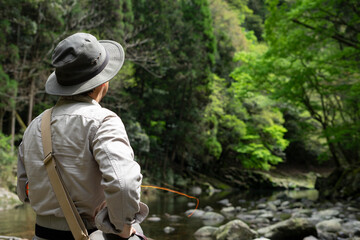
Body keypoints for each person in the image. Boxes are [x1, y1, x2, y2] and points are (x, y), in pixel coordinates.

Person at [17, 32, 148, 240]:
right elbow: (123, 184)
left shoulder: (34, 125)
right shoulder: (103, 120)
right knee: (136, 232)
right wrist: (122, 227)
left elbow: (25, 190)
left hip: (41, 235)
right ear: (101, 83)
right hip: (90, 234)